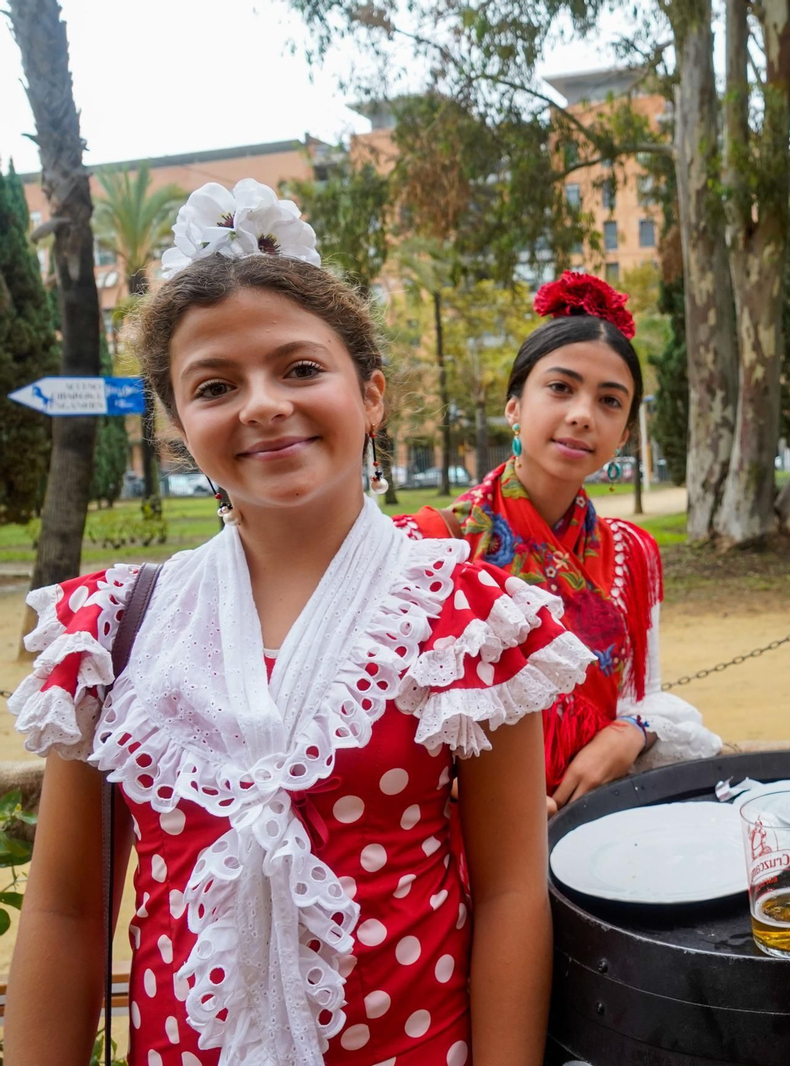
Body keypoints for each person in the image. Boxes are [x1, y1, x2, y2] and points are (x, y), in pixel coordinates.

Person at [4, 179, 594, 1065]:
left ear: (373, 395)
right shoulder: (116, 629)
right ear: (178, 424)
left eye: (301, 368)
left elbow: (512, 893)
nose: (262, 403)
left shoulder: (468, 621)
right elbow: (66, 910)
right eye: (214, 385)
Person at [400, 272, 719, 814]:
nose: (581, 414)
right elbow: (391, 730)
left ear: (623, 435)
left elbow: (637, 697)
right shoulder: (430, 548)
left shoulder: (630, 553)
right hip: (462, 841)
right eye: (560, 388)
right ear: (514, 407)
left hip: (593, 819)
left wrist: (628, 736)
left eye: (610, 401)